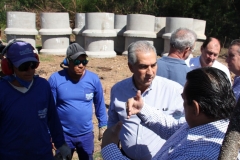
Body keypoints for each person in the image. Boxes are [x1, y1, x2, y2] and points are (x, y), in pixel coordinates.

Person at [102, 67, 235, 160]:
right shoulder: (205, 123)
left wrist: (109, 149)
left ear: (195, 108)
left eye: (184, 100)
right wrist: (142, 109)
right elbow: (174, 128)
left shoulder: (201, 154)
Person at [107, 41, 184, 160]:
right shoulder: (118, 90)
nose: (150, 72)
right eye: (143, 66)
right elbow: (113, 121)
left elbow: (183, 127)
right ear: (131, 67)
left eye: (153, 65)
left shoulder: (174, 91)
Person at [0, 40, 71, 159]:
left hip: (42, 154)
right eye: (23, 66)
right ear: (9, 67)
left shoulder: (42, 86)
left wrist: (61, 144)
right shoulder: (2, 91)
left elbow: (53, 119)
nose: (30, 70)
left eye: (33, 65)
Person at [48, 43, 108, 160]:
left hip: (86, 135)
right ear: (67, 61)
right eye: (77, 62)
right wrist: (51, 134)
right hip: (63, 135)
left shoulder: (93, 79)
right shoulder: (56, 79)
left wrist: (103, 125)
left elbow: (99, 104)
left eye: (84, 62)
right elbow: (50, 110)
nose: (81, 65)